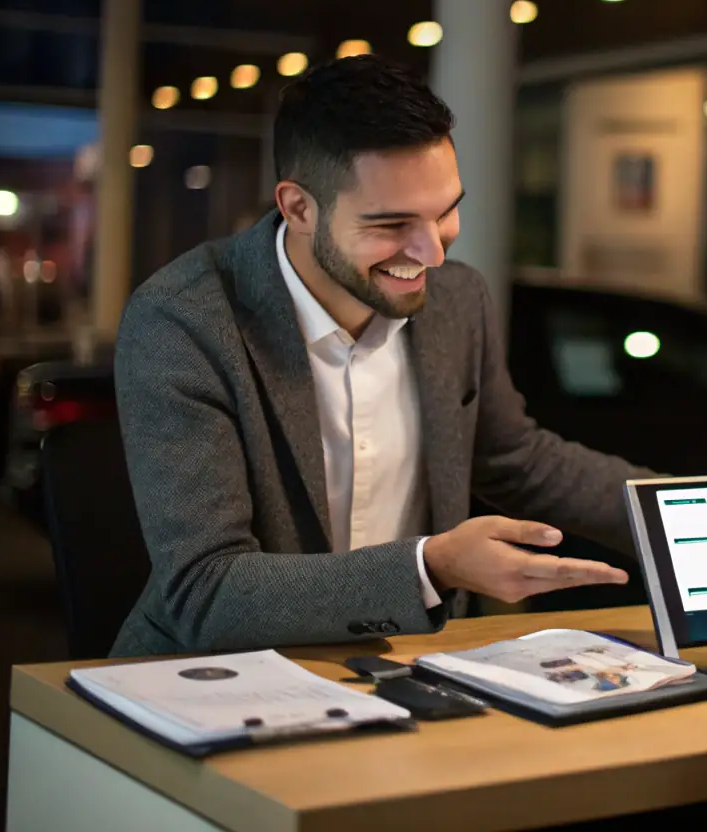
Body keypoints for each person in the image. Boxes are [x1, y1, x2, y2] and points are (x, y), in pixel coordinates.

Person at [111, 56, 650, 657]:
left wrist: (691, 512)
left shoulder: (458, 300)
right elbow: (206, 591)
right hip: (213, 679)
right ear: (298, 209)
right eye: (392, 224)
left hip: (409, 665)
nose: (432, 254)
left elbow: (517, 460)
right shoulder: (182, 320)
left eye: (445, 211)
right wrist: (432, 566)